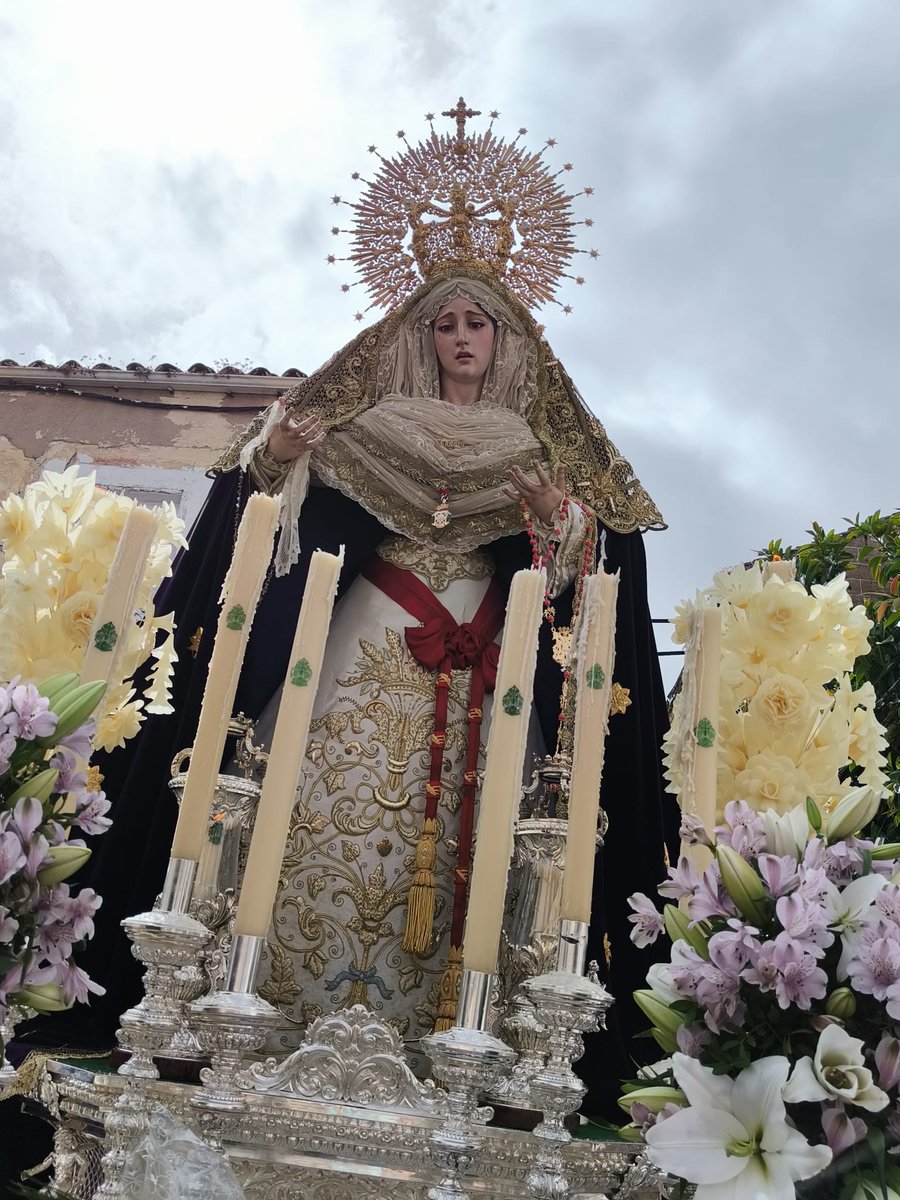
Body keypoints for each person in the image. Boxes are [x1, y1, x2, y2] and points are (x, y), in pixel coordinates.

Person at [22, 108, 678, 1116]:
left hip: (486, 673)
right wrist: (281, 457)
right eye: (445, 324)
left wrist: (565, 532)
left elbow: (586, 592)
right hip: (359, 644)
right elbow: (267, 511)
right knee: (311, 813)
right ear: (420, 336)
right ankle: (264, 1010)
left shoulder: (538, 448)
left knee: (488, 835)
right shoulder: (371, 426)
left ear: (507, 340)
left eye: (478, 324)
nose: (461, 340)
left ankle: (466, 1041)